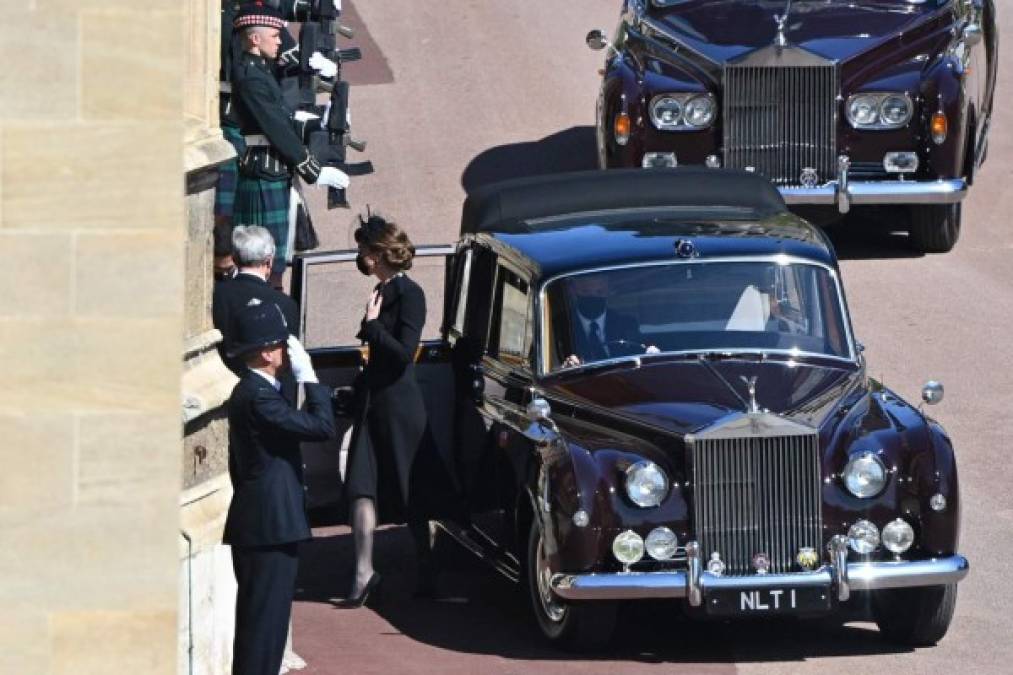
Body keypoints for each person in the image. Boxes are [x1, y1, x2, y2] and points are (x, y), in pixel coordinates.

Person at [342, 214, 456, 605]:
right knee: (360, 484)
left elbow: (404, 353)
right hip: (374, 400)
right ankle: (362, 572)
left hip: (399, 403)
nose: (360, 257)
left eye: (363, 250)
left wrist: (373, 327)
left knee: (414, 492)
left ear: (377, 254)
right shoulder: (380, 290)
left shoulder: (410, 294)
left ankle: (428, 571)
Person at [224, 302, 335, 675]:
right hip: (268, 526)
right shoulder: (258, 396)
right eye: (284, 346)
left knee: (265, 629)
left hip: (265, 522)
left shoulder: (257, 390)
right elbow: (321, 427)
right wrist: (311, 379)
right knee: (263, 629)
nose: (288, 354)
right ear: (268, 352)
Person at [228, 3, 349, 288]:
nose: (280, 40)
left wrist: (318, 120)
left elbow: (282, 118)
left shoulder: (261, 71)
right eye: (275, 35)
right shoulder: (251, 78)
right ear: (256, 39)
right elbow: (276, 128)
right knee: (261, 263)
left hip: (274, 170)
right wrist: (312, 169)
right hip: (262, 173)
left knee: (276, 261)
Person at [213, 226, 300, 386]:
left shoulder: (214, 296)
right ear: (269, 261)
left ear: (235, 259)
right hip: (269, 396)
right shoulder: (285, 305)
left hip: (222, 386)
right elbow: (288, 363)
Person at [560, 273, 658, 368]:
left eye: (599, 292)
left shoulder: (626, 324)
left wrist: (650, 351)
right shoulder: (559, 326)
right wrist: (567, 364)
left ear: (608, 291)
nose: (592, 297)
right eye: (585, 291)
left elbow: (640, 350)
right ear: (573, 290)